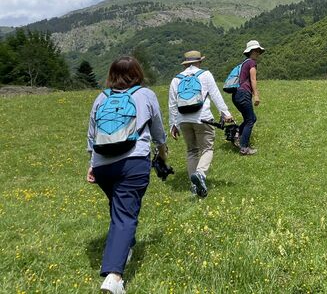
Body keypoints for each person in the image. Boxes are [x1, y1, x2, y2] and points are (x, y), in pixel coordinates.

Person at [86, 56, 168, 294]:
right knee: (125, 215)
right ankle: (114, 277)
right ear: (138, 73)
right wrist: (162, 153)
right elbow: (158, 130)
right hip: (132, 163)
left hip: (102, 165)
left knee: (119, 209)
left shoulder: (101, 98)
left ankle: (124, 246)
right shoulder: (145, 95)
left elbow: (91, 136)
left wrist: (92, 165)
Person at [168, 50, 233, 198]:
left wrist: (173, 124)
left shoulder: (176, 79)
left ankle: (194, 185)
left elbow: (172, 104)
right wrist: (226, 113)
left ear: (185, 64)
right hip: (202, 117)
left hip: (184, 120)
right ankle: (201, 175)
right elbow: (215, 95)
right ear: (199, 62)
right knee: (207, 149)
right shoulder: (205, 75)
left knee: (192, 151)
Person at [232, 40, 264, 156]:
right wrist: (256, 95)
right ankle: (244, 148)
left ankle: (237, 135)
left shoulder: (244, 63)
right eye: (257, 51)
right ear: (252, 51)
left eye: (259, 51)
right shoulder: (251, 63)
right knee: (250, 120)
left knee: (251, 118)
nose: (258, 53)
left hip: (236, 95)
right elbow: (253, 79)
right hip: (244, 94)